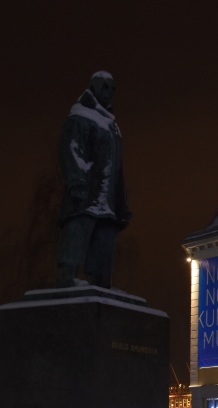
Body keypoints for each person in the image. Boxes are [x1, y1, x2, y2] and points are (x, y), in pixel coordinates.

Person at [57, 71, 131, 288]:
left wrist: (122, 203)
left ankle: (100, 283)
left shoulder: (111, 126)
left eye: (113, 89)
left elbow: (118, 169)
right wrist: (76, 181)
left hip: (107, 202)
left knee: (104, 247)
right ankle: (67, 278)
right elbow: (70, 150)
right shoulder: (81, 117)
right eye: (105, 87)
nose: (110, 93)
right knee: (76, 238)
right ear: (94, 88)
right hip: (86, 193)